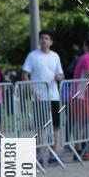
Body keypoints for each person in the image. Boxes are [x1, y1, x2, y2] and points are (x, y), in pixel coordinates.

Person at [22, 30, 64, 164]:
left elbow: (60, 73)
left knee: (56, 126)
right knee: (40, 127)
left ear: (51, 42)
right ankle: (39, 154)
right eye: (41, 38)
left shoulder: (55, 56)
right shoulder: (33, 56)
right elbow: (25, 74)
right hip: (39, 97)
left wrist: (59, 77)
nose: (43, 40)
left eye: (46, 38)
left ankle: (53, 154)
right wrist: (33, 91)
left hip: (54, 96)